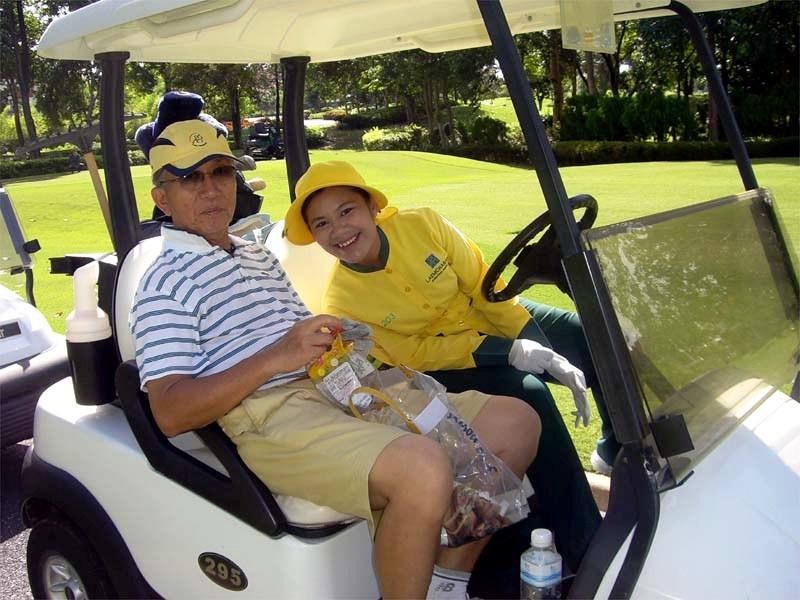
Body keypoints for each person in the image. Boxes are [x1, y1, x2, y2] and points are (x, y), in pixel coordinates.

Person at [129, 105, 541, 599]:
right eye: (190, 178)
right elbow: (170, 412)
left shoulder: (256, 255)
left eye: (219, 172)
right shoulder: (163, 283)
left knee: (515, 423)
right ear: (161, 197)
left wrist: (335, 338)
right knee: (422, 466)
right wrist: (276, 357)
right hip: (271, 416)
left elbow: (297, 337)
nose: (211, 189)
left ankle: (444, 586)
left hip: (338, 388)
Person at [284, 160, 622, 571]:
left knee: (588, 334)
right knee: (530, 393)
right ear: (313, 235)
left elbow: (484, 288)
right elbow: (416, 353)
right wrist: (509, 353)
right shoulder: (343, 301)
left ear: (372, 207)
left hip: (488, 314)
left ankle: (616, 452)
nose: (339, 230)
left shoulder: (424, 224)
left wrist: (537, 344)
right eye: (321, 224)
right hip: (445, 362)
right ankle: (582, 537)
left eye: (347, 211)